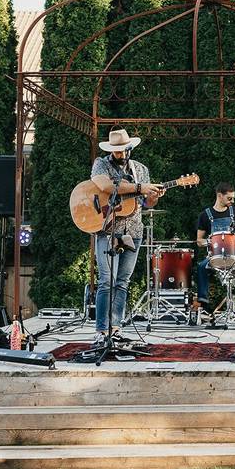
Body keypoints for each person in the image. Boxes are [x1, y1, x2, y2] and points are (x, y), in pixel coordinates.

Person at [90, 128, 163, 343]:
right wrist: (140, 187)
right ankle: (101, 331)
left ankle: (116, 328)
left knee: (122, 281)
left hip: (133, 230)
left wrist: (153, 196)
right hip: (106, 229)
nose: (121, 154)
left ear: (129, 148)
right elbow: (104, 185)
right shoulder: (101, 164)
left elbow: (147, 203)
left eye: (123, 150)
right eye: (117, 150)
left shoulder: (140, 169)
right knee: (106, 281)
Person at [192, 182, 235, 320]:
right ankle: (203, 304)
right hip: (214, 256)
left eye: (233, 198)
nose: (232, 201)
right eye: (229, 198)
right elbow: (199, 240)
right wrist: (210, 242)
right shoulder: (205, 215)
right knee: (202, 267)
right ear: (219, 196)